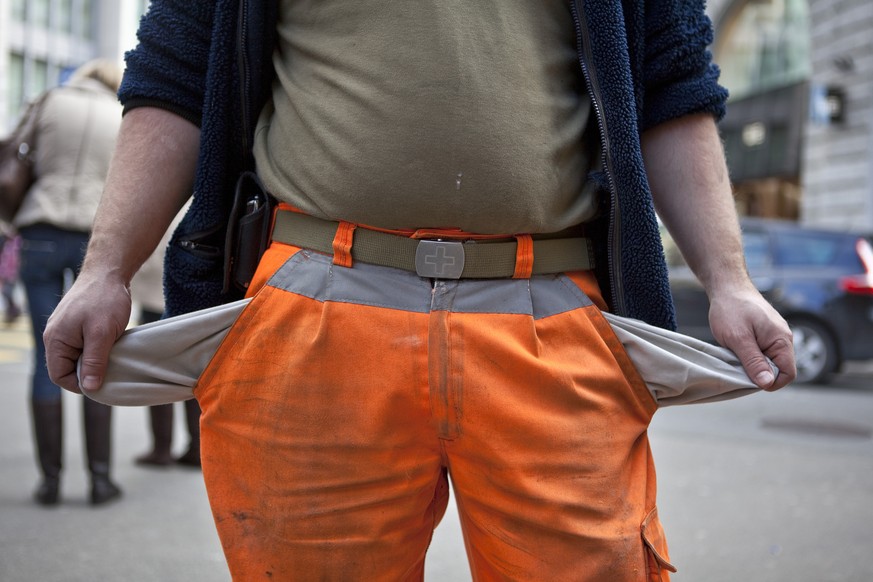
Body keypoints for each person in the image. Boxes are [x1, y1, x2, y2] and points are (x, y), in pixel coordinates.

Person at [44, 1, 797, 579]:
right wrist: (105, 269)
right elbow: (177, 71)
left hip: (552, 319)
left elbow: (670, 84)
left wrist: (728, 281)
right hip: (311, 323)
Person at [12, 59, 124, 506]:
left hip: (40, 229)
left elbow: (15, 153)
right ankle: (100, 479)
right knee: (96, 353)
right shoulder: (121, 112)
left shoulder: (49, 101)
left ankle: (50, 482)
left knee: (46, 355)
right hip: (94, 239)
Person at [129, 207, 201, 468]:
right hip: (191, 288)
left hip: (155, 288)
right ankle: (197, 447)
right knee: (193, 371)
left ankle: (162, 448)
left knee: (157, 372)